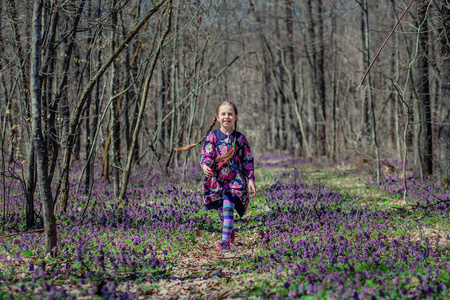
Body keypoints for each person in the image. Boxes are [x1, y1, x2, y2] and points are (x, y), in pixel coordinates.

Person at [175, 101, 256, 253]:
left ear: (236, 117)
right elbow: (206, 153)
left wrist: (250, 178)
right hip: (216, 181)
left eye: (230, 114)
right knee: (222, 211)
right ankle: (228, 231)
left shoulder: (240, 139)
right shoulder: (212, 136)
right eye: (223, 114)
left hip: (235, 180)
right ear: (217, 117)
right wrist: (205, 165)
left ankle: (224, 242)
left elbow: (247, 159)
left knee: (228, 207)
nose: (227, 117)